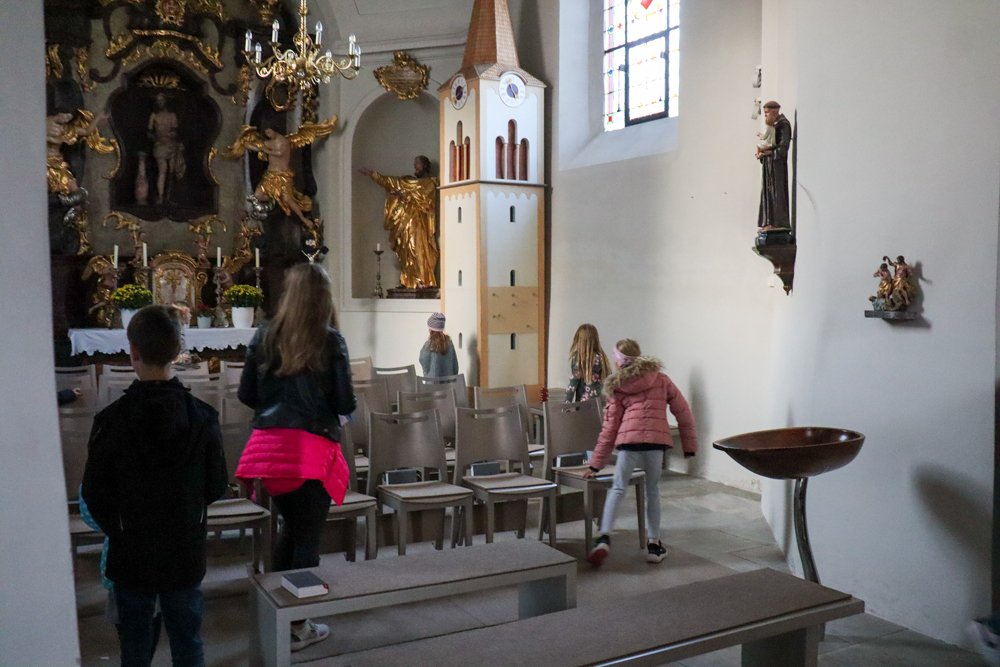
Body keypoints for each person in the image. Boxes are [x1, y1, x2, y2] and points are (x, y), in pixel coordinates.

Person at [81, 305, 228, 667]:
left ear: (133, 351)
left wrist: (119, 530)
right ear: (178, 350)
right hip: (184, 549)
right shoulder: (202, 417)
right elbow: (216, 486)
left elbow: (95, 493)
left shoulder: (110, 421)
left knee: (134, 647)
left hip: (130, 553)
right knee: (188, 644)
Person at [235, 263, 355, 652]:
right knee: (307, 539)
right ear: (324, 298)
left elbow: (246, 394)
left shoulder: (264, 334)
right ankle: (299, 625)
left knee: (290, 529)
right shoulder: (330, 340)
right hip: (310, 451)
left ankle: (279, 617)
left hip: (269, 451)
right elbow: (344, 402)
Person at [582, 339, 698, 566]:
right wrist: (689, 446)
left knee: (618, 488)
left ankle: (604, 537)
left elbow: (609, 428)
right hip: (656, 442)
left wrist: (595, 464)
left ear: (618, 361)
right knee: (652, 490)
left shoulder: (618, 385)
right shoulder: (661, 379)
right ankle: (654, 545)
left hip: (629, 443)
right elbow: (683, 412)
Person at [358, 156, 440, 289]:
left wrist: (404, 196)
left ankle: (422, 279)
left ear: (425, 165)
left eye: (418, 164)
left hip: (418, 223)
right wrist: (374, 175)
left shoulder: (429, 183)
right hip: (404, 224)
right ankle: (407, 280)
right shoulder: (407, 181)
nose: (415, 167)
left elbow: (425, 202)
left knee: (416, 249)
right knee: (405, 252)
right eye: (414, 164)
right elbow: (390, 182)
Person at [755, 100, 792, 230]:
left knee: (776, 192)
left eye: (767, 113)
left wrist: (771, 152)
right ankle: (769, 221)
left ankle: (778, 222)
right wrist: (763, 154)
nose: (766, 116)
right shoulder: (773, 125)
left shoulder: (783, 125)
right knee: (768, 191)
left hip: (777, 165)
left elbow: (783, 147)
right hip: (770, 164)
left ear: (775, 111)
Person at [564, 324, 611, 403]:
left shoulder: (578, 358)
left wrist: (566, 404)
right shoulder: (601, 357)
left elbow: (573, 385)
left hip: (583, 404)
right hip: (600, 403)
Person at [419, 312, 459, 377]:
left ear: (431, 330)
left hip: (431, 382)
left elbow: (422, 360)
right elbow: (455, 366)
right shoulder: (449, 343)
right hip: (449, 383)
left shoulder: (428, 344)